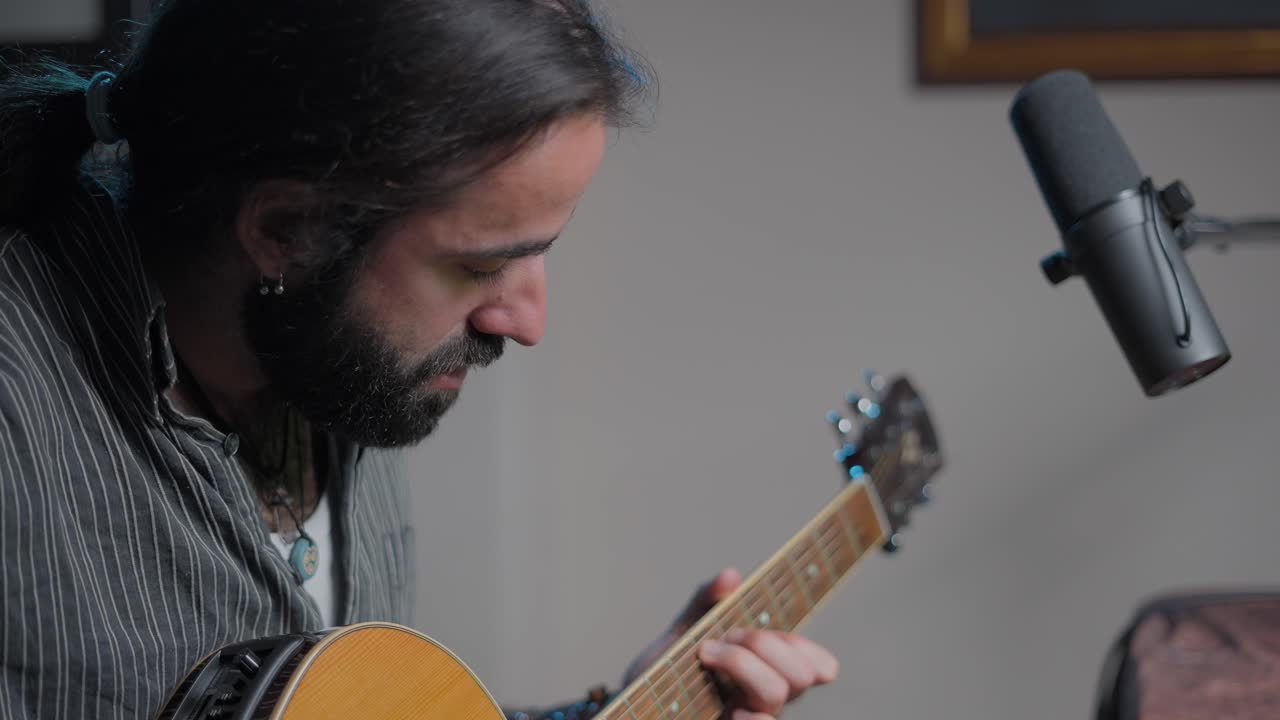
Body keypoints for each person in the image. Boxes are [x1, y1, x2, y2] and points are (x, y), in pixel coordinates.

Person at [0, 1, 840, 718]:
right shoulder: (21, 414)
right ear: (285, 233)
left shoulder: (326, 359)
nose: (527, 320)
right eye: (481, 264)